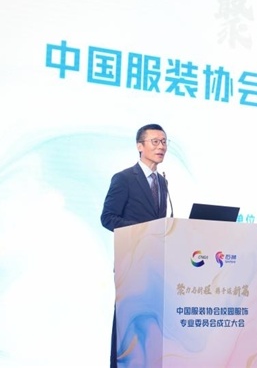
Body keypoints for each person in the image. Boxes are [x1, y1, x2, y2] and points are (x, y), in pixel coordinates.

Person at [100, 123, 169, 368]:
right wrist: (142, 231)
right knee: (126, 324)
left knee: (149, 325)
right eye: (155, 142)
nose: (161, 147)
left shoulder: (162, 182)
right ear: (140, 146)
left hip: (155, 266)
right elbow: (108, 218)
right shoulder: (124, 178)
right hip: (131, 263)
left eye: (164, 142)